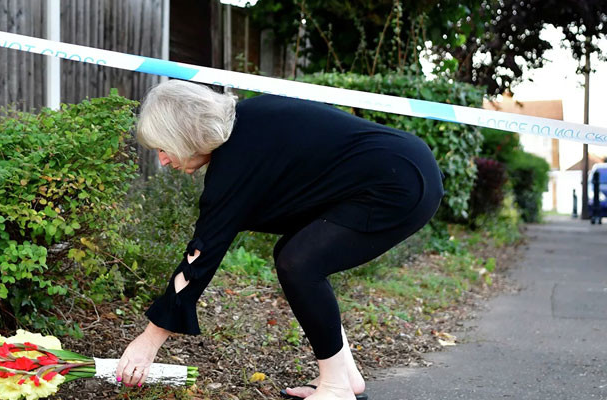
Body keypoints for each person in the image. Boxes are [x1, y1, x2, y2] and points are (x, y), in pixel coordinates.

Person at [114, 80, 444, 400]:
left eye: (163, 148)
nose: (163, 160)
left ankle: (336, 389)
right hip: (406, 168)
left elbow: (200, 258)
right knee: (293, 252)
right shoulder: (250, 118)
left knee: (300, 263)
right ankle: (345, 378)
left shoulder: (234, 164)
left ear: (185, 135)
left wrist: (149, 340)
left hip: (399, 187)